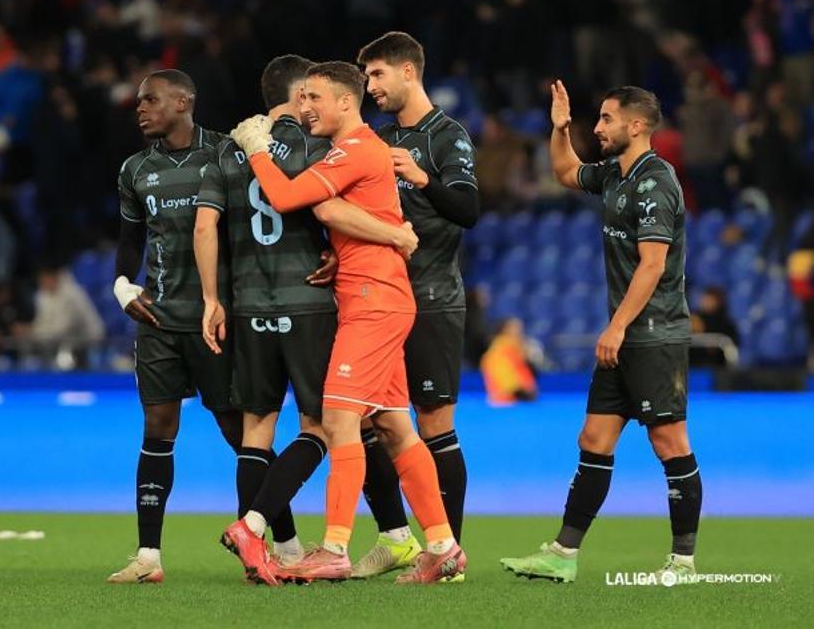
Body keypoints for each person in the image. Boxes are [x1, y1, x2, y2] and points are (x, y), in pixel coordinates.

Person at [222, 61, 466, 585]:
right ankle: (443, 546)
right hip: (375, 295)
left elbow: (289, 199)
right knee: (397, 429)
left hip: (373, 299)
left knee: (337, 422)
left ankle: (334, 547)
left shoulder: (356, 149)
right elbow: (331, 214)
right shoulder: (353, 151)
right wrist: (382, 234)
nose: (305, 107)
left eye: (313, 97)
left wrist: (257, 148)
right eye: (301, 97)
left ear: (345, 103)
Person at [501, 81, 700, 583]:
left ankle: (683, 562)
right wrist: (559, 127)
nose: (598, 128)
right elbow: (566, 171)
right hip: (628, 334)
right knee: (594, 437)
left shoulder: (657, 183)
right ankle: (563, 554)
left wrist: (616, 326)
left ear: (636, 125)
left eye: (606, 119)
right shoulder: (615, 173)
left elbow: (652, 266)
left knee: (670, 443)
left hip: (653, 333)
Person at [351, 31, 480, 578]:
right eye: (366, 78)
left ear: (409, 71)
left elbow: (468, 210)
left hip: (431, 298)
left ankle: (444, 551)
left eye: (378, 75)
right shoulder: (375, 138)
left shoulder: (447, 137)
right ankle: (396, 537)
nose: (371, 87)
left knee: (433, 424)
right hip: (375, 299)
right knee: (359, 421)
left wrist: (421, 177)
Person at [107, 70, 241, 584]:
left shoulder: (227, 153)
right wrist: (122, 287)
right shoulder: (136, 169)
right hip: (159, 319)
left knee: (238, 432)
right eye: (139, 101)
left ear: (185, 100)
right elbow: (129, 240)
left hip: (216, 320)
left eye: (150, 100)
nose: (140, 108)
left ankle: (285, 543)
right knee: (158, 430)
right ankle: (148, 557)